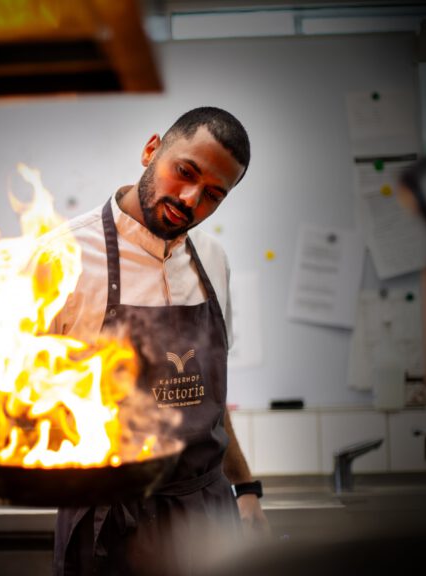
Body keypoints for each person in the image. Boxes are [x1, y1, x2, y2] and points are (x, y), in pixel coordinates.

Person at [48, 107, 269, 575]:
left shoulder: (213, 259)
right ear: (152, 149)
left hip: (207, 516)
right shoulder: (63, 257)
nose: (190, 199)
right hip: (110, 521)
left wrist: (246, 488)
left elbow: (210, 401)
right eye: (185, 171)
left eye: (213, 194)